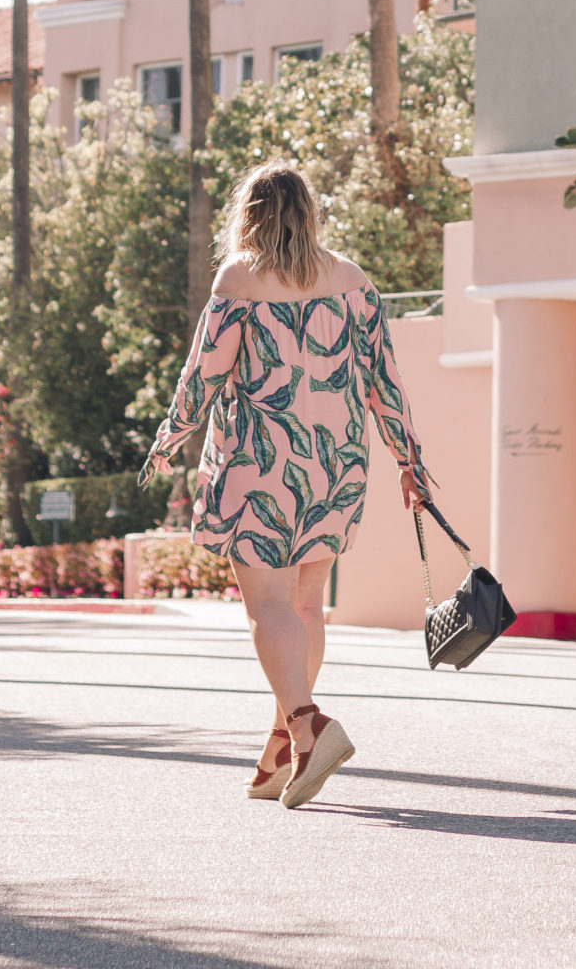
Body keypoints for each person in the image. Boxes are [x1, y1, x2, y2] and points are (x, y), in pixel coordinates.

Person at [142, 160, 432, 810]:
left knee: (266, 606)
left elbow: (205, 373)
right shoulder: (353, 280)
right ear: (309, 214)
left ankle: (310, 725)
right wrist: (408, 460)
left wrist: (170, 439)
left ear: (250, 216)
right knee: (306, 606)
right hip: (335, 464)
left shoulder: (240, 276)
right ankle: (279, 747)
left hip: (261, 461)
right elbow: (385, 381)